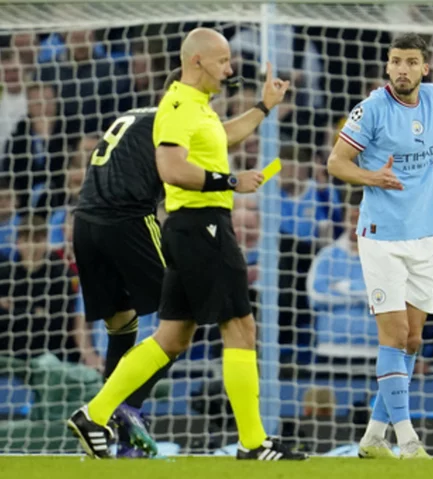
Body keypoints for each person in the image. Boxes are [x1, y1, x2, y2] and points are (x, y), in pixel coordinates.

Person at [67, 27, 306, 461]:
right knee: (241, 327)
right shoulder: (176, 105)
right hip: (202, 226)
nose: (231, 70)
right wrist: (232, 181)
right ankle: (253, 443)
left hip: (187, 227)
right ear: (196, 61)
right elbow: (172, 167)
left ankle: (96, 413)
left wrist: (263, 107)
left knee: (171, 337)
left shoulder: (197, 106)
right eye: (223, 62)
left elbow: (224, 136)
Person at [327, 33, 433, 459]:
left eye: (410, 62)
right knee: (394, 336)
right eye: (395, 61)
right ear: (387, 66)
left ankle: (372, 436)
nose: (401, 68)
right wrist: (372, 177)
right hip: (381, 235)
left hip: (426, 237)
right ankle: (408, 437)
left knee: (413, 340)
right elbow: (336, 162)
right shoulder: (372, 109)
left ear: (424, 67)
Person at [65, 68, 181, 458]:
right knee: (183, 315)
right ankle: (126, 410)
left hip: (85, 221)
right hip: (127, 220)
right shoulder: (173, 123)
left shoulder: (131, 115)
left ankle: (107, 429)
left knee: (122, 320)